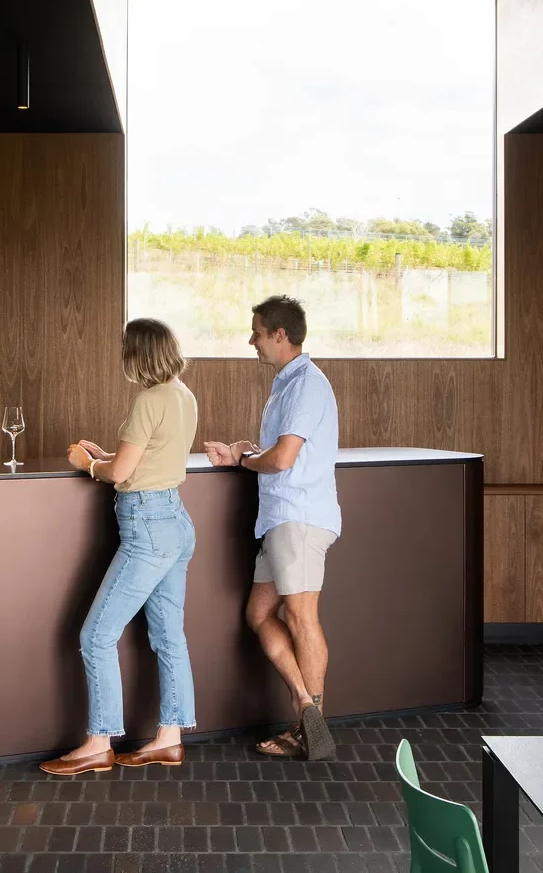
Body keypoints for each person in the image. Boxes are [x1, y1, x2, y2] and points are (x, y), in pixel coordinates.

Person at [40, 318, 199, 776]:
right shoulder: (182, 395)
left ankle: (98, 743)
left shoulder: (147, 400)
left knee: (95, 636)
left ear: (138, 355)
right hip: (175, 521)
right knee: (170, 636)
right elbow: (150, 458)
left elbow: (123, 474)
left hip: (147, 527)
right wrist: (105, 455)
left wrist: (89, 464)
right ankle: (169, 739)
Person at [203, 294, 341, 761]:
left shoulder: (305, 384)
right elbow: (278, 452)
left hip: (298, 519)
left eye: (257, 332)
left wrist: (246, 457)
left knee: (302, 617)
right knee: (260, 615)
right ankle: (307, 708)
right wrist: (244, 452)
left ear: (280, 335)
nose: (252, 340)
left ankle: (307, 728)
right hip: (280, 519)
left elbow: (283, 459)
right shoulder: (288, 384)